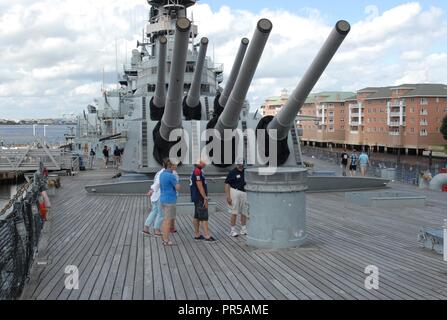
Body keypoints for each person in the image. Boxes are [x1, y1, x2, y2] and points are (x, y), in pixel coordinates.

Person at [190, 160, 216, 242]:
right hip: (199, 197)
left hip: (196, 197)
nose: (204, 163)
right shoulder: (197, 171)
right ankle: (207, 235)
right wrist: (205, 197)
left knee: (196, 216)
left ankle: (197, 234)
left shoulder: (197, 171)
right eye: (202, 162)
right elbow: (199, 185)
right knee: (204, 216)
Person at [142, 160, 167, 237]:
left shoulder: (159, 172)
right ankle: (157, 230)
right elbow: (158, 183)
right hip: (159, 195)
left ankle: (146, 229)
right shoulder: (164, 173)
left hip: (155, 195)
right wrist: (152, 190)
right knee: (161, 213)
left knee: (154, 211)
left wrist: (152, 191)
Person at [159, 159, 181, 246]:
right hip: (170, 200)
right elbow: (178, 188)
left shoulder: (162, 174)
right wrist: (178, 182)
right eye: (175, 165)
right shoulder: (171, 176)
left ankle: (165, 237)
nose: (176, 166)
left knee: (165, 220)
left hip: (163, 199)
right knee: (167, 221)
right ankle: (166, 240)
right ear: (170, 166)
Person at [225, 158, 248, 237]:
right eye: (238, 164)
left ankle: (243, 229)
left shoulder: (246, 172)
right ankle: (232, 230)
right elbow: (227, 184)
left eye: (241, 164)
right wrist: (228, 196)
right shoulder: (232, 172)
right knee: (234, 212)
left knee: (244, 212)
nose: (240, 166)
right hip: (235, 192)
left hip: (244, 193)